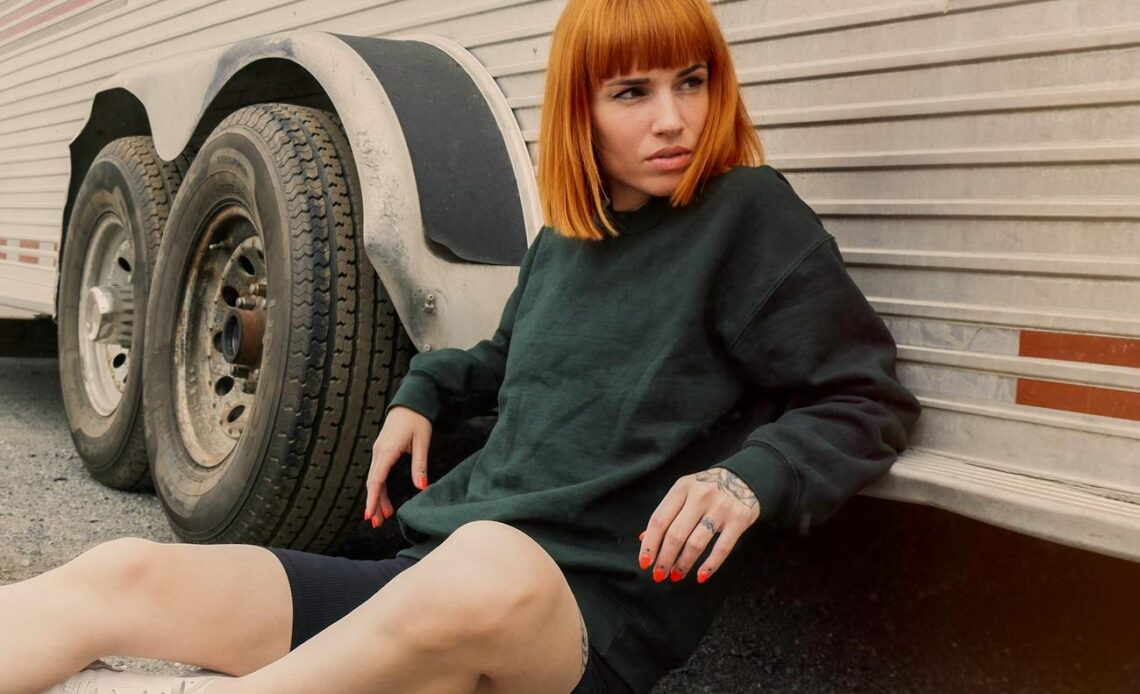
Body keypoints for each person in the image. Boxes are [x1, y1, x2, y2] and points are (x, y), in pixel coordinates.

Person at [5, 0, 920, 692]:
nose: (674, 120)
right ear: (583, 109)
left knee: (487, 560)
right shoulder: (568, 240)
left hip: (576, 618)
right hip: (428, 581)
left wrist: (746, 478)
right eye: (632, 92)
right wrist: (423, 391)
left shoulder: (748, 216)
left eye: (693, 81)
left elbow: (865, 398)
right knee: (124, 572)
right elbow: (503, 360)